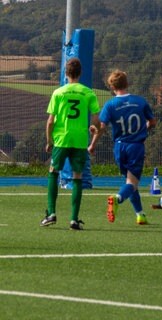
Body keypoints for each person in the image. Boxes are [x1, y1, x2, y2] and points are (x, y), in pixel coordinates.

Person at [88, 69, 156, 225]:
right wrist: (144, 128)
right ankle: (117, 198)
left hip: (119, 148)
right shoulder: (140, 101)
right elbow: (152, 122)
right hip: (135, 147)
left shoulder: (110, 105)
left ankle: (140, 215)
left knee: (130, 183)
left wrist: (92, 145)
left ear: (112, 87)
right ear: (127, 83)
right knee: (131, 184)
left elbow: (102, 126)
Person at [40, 57, 101, 230]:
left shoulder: (58, 93)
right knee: (77, 177)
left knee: (53, 172)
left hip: (62, 139)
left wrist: (49, 140)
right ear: (80, 73)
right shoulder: (88, 93)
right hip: (80, 140)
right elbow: (96, 119)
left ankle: (51, 213)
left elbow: (50, 121)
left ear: (66, 73)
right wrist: (92, 127)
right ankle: (74, 219)